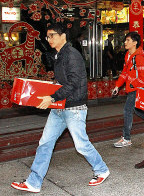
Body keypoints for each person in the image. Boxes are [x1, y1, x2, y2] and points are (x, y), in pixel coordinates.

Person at [11, 23, 109, 193]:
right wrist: (51, 90)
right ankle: (34, 182)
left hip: (74, 109)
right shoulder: (59, 55)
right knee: (45, 143)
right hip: (59, 107)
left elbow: (74, 82)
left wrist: (52, 96)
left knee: (81, 145)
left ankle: (102, 170)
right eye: (47, 36)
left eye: (52, 35)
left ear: (63, 36)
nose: (49, 39)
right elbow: (63, 82)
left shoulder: (72, 55)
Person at [112, 32, 144, 148]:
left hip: (136, 88)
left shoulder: (138, 57)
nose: (125, 42)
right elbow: (124, 73)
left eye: (128, 40)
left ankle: (126, 138)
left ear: (135, 42)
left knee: (127, 110)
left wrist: (133, 85)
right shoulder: (128, 56)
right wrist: (117, 86)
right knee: (138, 111)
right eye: (125, 40)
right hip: (132, 88)